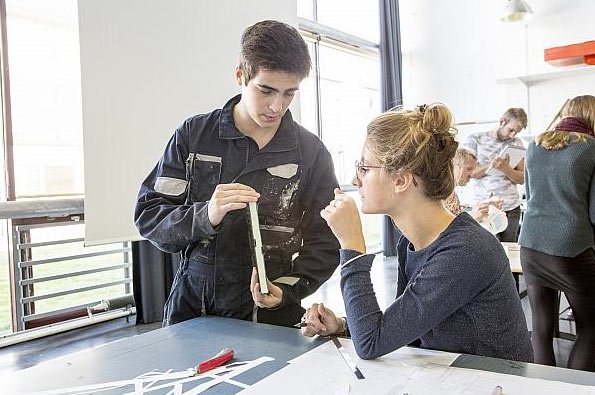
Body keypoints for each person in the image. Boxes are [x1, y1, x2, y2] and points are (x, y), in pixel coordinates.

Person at [134, 20, 340, 328]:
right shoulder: (194, 136)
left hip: (273, 316)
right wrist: (206, 214)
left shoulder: (310, 153)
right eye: (266, 90)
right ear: (240, 75)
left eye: (288, 94)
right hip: (195, 311)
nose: (276, 106)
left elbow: (326, 242)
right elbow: (151, 217)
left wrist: (286, 289)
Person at [301, 103, 533, 362]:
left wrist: (352, 246)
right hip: (449, 376)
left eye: (364, 168)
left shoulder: (465, 250)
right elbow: (405, 330)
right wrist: (345, 326)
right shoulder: (410, 243)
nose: (356, 181)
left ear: (401, 180)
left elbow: (371, 344)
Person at [518, 95, 595, 371]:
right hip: (571, 247)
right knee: (590, 328)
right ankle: (576, 390)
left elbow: (529, 195)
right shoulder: (592, 149)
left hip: (530, 243)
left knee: (540, 327)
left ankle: (543, 389)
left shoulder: (534, 146)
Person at [463, 108, 527, 242]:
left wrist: (505, 169)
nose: (512, 135)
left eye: (517, 132)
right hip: (484, 208)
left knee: (509, 250)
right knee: (485, 248)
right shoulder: (476, 139)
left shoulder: (516, 143)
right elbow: (468, 172)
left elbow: (522, 178)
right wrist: (491, 165)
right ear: (502, 121)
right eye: (511, 130)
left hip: (510, 207)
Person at [445, 149, 503, 222]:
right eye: (468, 169)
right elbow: (448, 227)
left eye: (473, 170)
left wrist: (485, 205)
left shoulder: (453, 194)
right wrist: (474, 218)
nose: (472, 174)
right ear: (454, 166)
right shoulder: (442, 195)